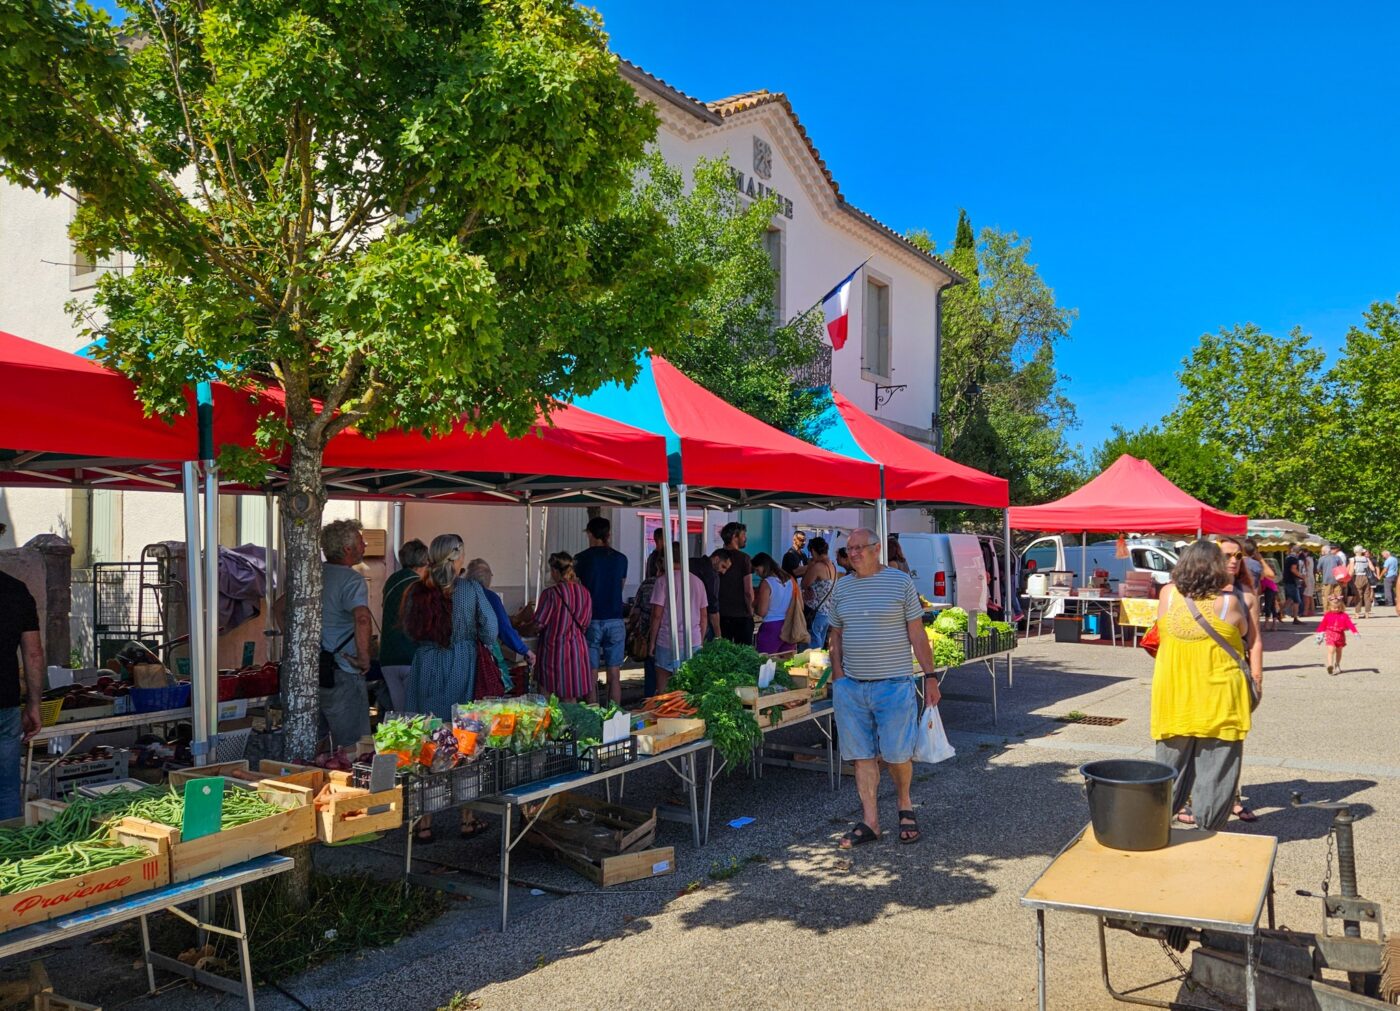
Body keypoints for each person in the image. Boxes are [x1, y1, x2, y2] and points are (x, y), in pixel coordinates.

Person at [828, 528, 939, 848]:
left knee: (897, 754)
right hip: (851, 687)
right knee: (861, 756)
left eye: (859, 548)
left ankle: (905, 804)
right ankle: (870, 821)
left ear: (877, 549)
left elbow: (917, 634)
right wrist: (838, 675)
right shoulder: (842, 588)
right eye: (849, 549)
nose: (853, 553)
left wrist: (930, 676)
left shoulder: (899, 582)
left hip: (894, 685)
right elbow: (835, 633)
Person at [1151, 541, 1255, 832]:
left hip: (1174, 695)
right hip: (1220, 697)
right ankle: (1208, 831)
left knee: (1168, 770)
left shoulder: (1167, 595)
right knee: (1216, 772)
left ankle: (1156, 826)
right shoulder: (1229, 603)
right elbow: (1243, 633)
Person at [401, 534, 497, 842]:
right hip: (461, 665)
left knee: (426, 740)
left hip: (425, 667)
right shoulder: (470, 590)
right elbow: (491, 631)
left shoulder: (416, 590)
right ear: (456, 558)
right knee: (465, 741)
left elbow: (408, 628)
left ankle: (423, 822)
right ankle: (467, 819)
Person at [319, 519, 373, 753]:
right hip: (342, 670)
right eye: (361, 542)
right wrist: (363, 658)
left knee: (317, 744)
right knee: (354, 745)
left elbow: (281, 609)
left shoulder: (312, 574)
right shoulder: (352, 579)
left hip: (312, 667)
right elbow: (362, 617)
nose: (365, 546)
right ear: (347, 549)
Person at [1, 561, 45, 820]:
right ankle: (8, 854)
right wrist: (34, 705)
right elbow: (34, 654)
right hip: (4, 705)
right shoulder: (16, 590)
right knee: (6, 790)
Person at [574, 517, 628, 705]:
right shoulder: (621, 559)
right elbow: (620, 587)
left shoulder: (580, 559)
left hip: (591, 619)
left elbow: (577, 590)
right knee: (614, 672)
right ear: (608, 534)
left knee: (591, 672)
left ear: (590, 534)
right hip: (615, 618)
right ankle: (615, 715)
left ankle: (593, 713)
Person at [464, 559, 536, 685]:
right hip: (482, 656)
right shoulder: (490, 597)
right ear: (486, 577)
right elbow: (504, 628)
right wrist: (525, 650)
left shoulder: (459, 594)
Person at [648, 542, 708, 692]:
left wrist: (652, 642)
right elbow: (704, 615)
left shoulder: (662, 582)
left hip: (667, 639)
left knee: (663, 687)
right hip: (693, 640)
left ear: (664, 559)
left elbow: (657, 615)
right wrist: (700, 639)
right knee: (690, 687)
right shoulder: (698, 582)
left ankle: (664, 714)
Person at [534, 552, 592, 701]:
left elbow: (539, 624)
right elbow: (586, 623)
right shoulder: (584, 593)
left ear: (554, 571)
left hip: (554, 653)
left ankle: (551, 724)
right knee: (571, 698)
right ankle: (571, 724)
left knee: (546, 697)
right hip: (578, 651)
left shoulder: (550, 594)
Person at [379, 538, 428, 712]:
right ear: (425, 561)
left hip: (387, 657)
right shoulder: (420, 585)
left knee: (400, 714)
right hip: (411, 656)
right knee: (415, 715)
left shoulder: (391, 581)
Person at [752, 552, 801, 654]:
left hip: (771, 627)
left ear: (764, 566)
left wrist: (753, 605)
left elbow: (762, 612)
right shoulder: (790, 580)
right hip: (789, 624)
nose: (757, 573)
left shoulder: (767, 583)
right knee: (787, 662)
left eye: (757, 569)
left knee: (766, 663)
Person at [716, 522, 755, 645]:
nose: (745, 538)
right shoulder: (744, 559)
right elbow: (748, 591)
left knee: (723, 654)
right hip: (741, 615)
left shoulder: (716, 556)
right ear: (735, 537)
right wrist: (751, 612)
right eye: (743, 535)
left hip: (720, 614)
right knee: (743, 656)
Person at [801, 536, 838, 648]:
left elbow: (804, 583)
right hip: (827, 612)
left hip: (815, 612)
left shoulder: (818, 567)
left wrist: (809, 567)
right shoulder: (833, 566)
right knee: (820, 644)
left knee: (812, 646)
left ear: (813, 551)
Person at [689, 548, 731, 642]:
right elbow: (713, 608)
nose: (723, 572)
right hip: (698, 622)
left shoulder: (690, 562)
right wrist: (718, 636)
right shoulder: (712, 576)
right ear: (716, 559)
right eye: (723, 566)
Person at [1318, 594, 1359, 675]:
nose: (1336, 609)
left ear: (1341, 607)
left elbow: (1350, 624)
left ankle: (1337, 664)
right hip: (1330, 634)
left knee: (1339, 651)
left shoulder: (1344, 615)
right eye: (1334, 608)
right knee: (1331, 650)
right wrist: (1319, 634)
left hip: (1340, 635)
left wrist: (1355, 632)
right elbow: (1322, 625)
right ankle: (1330, 665)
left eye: (1338, 608)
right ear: (1330, 607)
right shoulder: (1327, 615)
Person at [1280, 545, 1304, 625]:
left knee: (1289, 599)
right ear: (1299, 552)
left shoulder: (1288, 557)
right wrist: (1301, 576)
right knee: (1297, 601)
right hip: (1292, 581)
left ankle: (1278, 613)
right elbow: (1293, 569)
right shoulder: (1294, 559)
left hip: (1287, 580)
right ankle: (1295, 618)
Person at [1349, 545, 1374, 619]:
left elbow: (1351, 571)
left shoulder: (1352, 559)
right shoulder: (1367, 559)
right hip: (1366, 577)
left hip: (1357, 577)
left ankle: (1357, 613)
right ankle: (1367, 613)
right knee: (1367, 595)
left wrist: (1348, 579)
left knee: (1358, 596)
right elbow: (1372, 568)